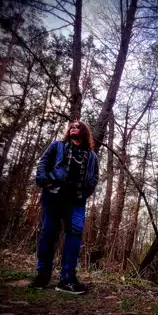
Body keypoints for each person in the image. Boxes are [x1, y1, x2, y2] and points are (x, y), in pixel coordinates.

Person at [28, 121, 99, 294]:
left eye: (78, 126)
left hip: (76, 202)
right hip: (53, 196)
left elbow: (94, 178)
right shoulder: (57, 146)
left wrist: (84, 193)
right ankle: (42, 276)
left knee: (74, 235)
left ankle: (67, 280)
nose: (73, 127)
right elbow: (42, 163)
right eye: (71, 126)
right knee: (48, 234)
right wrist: (44, 181)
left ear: (84, 132)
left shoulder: (91, 156)